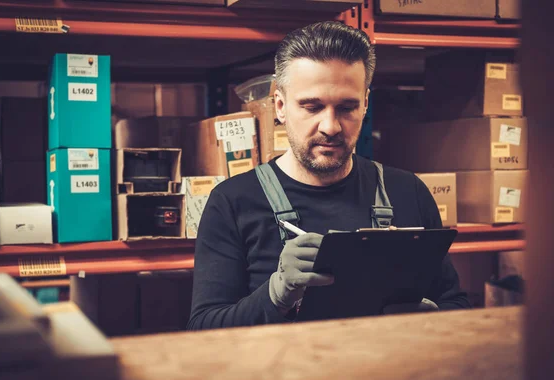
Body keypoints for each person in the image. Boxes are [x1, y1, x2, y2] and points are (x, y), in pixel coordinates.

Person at [187, 21, 470, 330]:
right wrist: (274, 296)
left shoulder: (407, 191)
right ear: (280, 106)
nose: (331, 126)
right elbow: (204, 328)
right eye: (312, 106)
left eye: (347, 107)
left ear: (364, 105)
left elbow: (455, 303)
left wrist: (431, 320)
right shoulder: (232, 202)